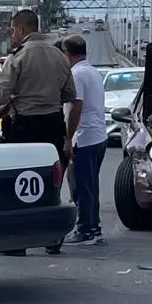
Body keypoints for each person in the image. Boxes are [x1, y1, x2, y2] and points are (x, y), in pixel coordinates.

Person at [0, 9, 76, 255]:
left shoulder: (17, 57)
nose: (12, 35)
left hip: (23, 126)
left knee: (20, 184)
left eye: (13, 30)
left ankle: (19, 243)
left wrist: (18, 97)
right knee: (52, 183)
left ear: (21, 29)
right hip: (53, 124)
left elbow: (0, 96)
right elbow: (69, 94)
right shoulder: (59, 55)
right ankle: (53, 238)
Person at [61, 34, 107, 245]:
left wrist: (68, 138)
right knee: (91, 186)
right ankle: (93, 227)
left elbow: (76, 106)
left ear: (67, 53)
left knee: (81, 187)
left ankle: (85, 230)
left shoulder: (77, 74)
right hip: (97, 136)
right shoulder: (92, 71)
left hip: (85, 138)